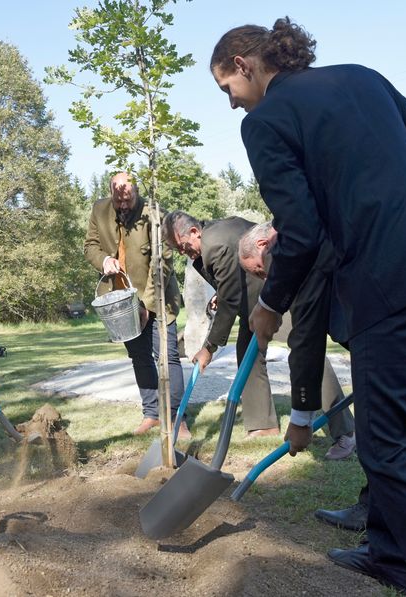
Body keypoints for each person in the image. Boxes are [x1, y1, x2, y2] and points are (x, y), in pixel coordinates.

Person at [211, 17, 406, 596]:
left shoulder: (266, 121)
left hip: (388, 280)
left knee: (392, 447)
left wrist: (269, 302)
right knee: (405, 429)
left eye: (227, 91)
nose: (233, 106)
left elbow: (304, 231)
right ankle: (391, 552)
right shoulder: (362, 78)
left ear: (245, 64)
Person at [84, 172, 189, 438]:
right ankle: (152, 414)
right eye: (118, 200)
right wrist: (104, 261)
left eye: (127, 200)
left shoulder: (155, 214)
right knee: (139, 357)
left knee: (168, 357)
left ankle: (178, 418)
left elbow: (162, 265)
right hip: (121, 299)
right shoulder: (99, 209)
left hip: (158, 297)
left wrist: (147, 306)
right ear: (111, 193)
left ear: (137, 193)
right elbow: (91, 246)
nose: (123, 205)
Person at [238, 222, 355, 460]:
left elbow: (306, 339)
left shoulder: (300, 250)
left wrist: (300, 421)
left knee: (391, 435)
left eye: (260, 271)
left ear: (264, 245)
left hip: (391, 324)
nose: (266, 278)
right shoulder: (304, 237)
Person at [164, 212, 278, 437]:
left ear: (195, 232)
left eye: (182, 245)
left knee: (305, 348)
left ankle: (344, 430)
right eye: (177, 248)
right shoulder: (208, 239)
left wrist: (209, 347)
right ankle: (264, 425)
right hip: (254, 301)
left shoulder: (213, 245)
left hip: (274, 291)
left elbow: (230, 299)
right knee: (247, 354)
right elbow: (230, 281)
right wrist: (221, 291)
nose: (181, 252)